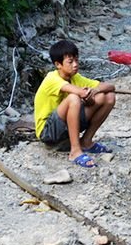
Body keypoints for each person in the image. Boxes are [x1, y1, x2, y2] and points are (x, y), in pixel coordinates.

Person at [33, 40, 117, 168]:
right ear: (58, 64)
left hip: (66, 125)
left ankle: (86, 142)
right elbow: (80, 93)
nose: (75, 65)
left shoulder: (75, 77)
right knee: (73, 98)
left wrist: (96, 90)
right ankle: (75, 151)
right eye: (70, 62)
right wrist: (87, 95)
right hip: (49, 132)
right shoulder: (52, 78)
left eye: (77, 61)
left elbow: (110, 87)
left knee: (108, 97)